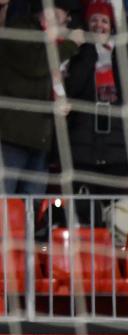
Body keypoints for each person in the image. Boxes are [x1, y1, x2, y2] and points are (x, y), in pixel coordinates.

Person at [65, 0, 128, 214]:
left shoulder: (122, 53)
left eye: (104, 21)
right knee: (83, 212)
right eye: (95, 20)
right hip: (83, 146)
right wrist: (90, 50)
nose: (99, 25)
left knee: (116, 212)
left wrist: (118, 52)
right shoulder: (78, 53)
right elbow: (74, 86)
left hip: (117, 147)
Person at [0, 0, 82, 195]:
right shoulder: (21, 29)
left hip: (42, 141)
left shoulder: (53, 42)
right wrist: (71, 45)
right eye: (65, 12)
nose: (68, 18)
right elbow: (36, 65)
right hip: (13, 137)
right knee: (5, 201)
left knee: (32, 206)